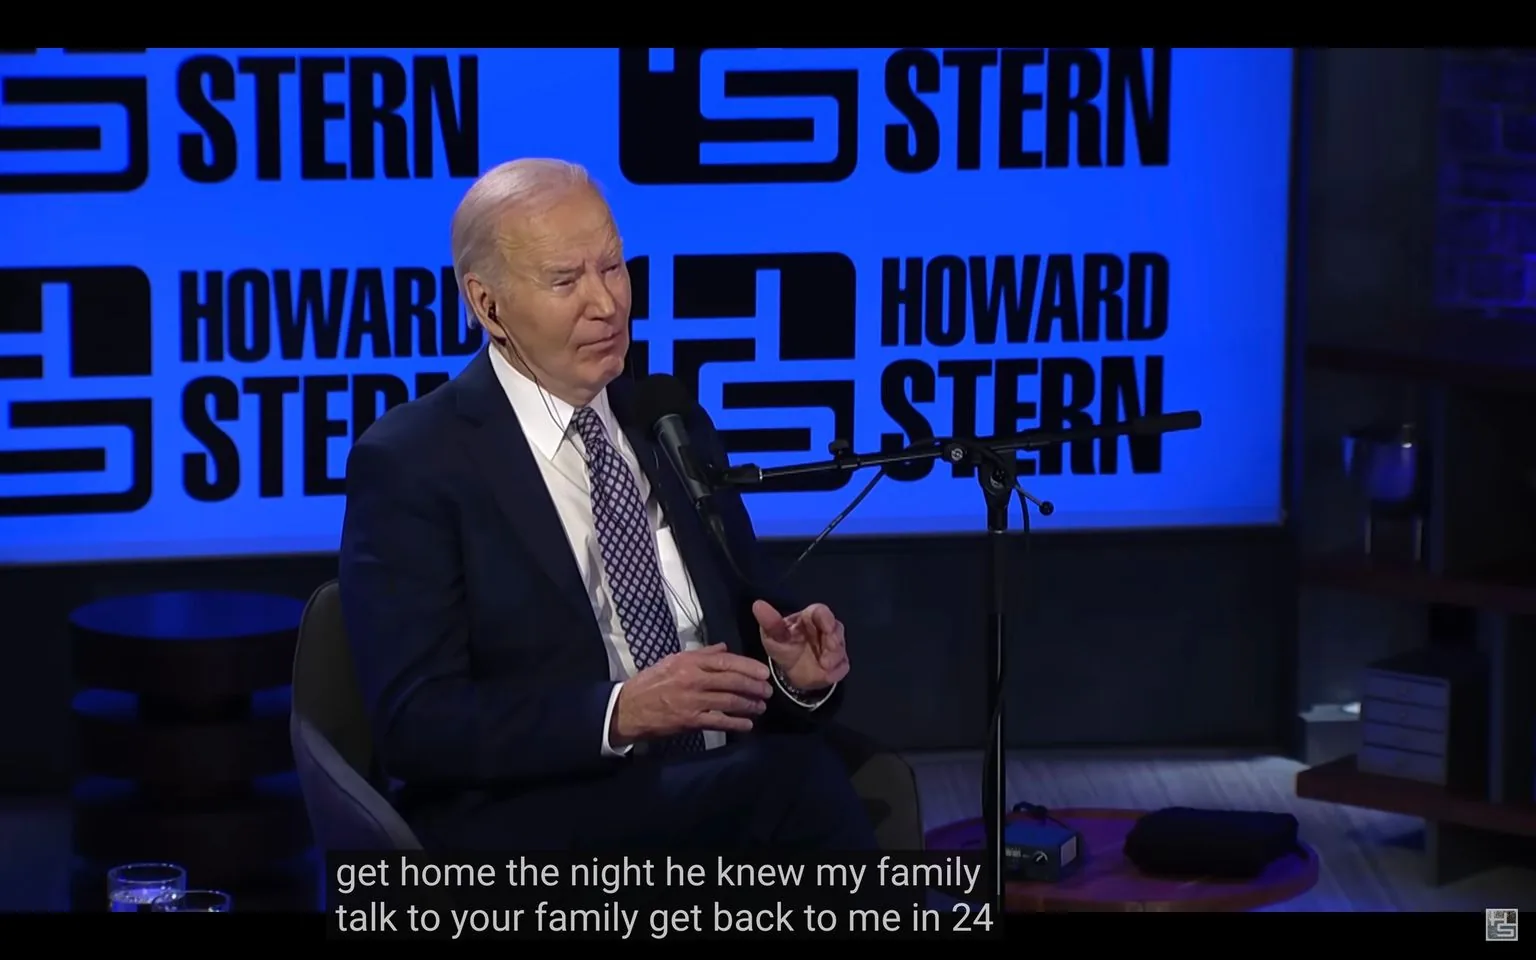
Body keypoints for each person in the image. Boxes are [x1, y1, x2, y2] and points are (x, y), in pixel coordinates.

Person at [338, 158, 878, 853]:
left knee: (850, 771)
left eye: (614, 268)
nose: (607, 303)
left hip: (718, 775)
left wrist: (793, 673)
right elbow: (415, 723)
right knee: (797, 787)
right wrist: (617, 713)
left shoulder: (667, 419)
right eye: (566, 281)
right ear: (487, 305)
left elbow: (753, 616)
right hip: (541, 805)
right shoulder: (414, 461)